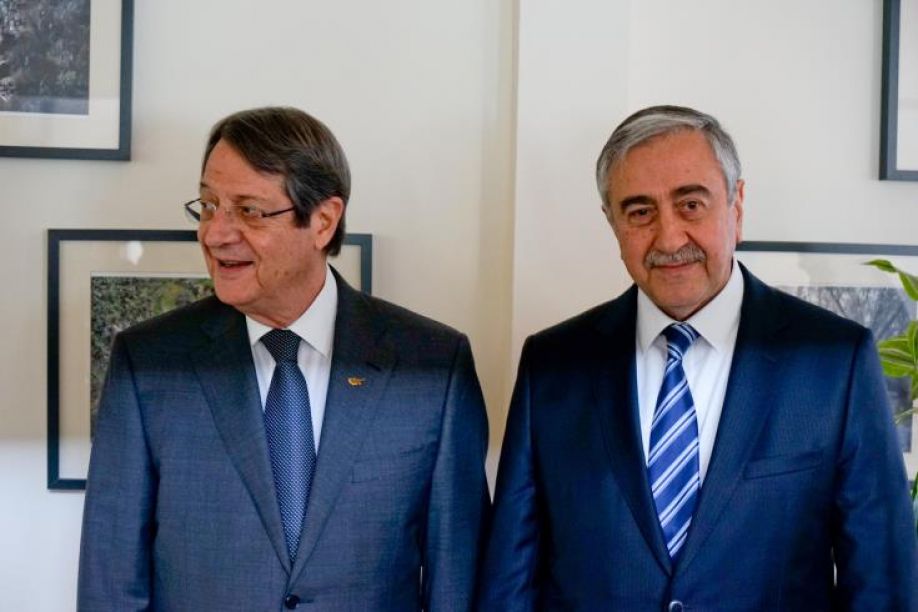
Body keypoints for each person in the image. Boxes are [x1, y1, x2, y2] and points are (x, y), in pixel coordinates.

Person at [477, 105, 918, 610]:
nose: (669, 238)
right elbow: (509, 584)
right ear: (612, 222)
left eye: (690, 204)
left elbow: (882, 585)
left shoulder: (835, 360)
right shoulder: (552, 365)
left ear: (736, 205)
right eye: (640, 212)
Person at [78, 106, 490, 610]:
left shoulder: (432, 366)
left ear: (323, 221)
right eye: (209, 206)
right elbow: (110, 583)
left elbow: (456, 583)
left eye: (249, 210)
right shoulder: (148, 363)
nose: (215, 233)